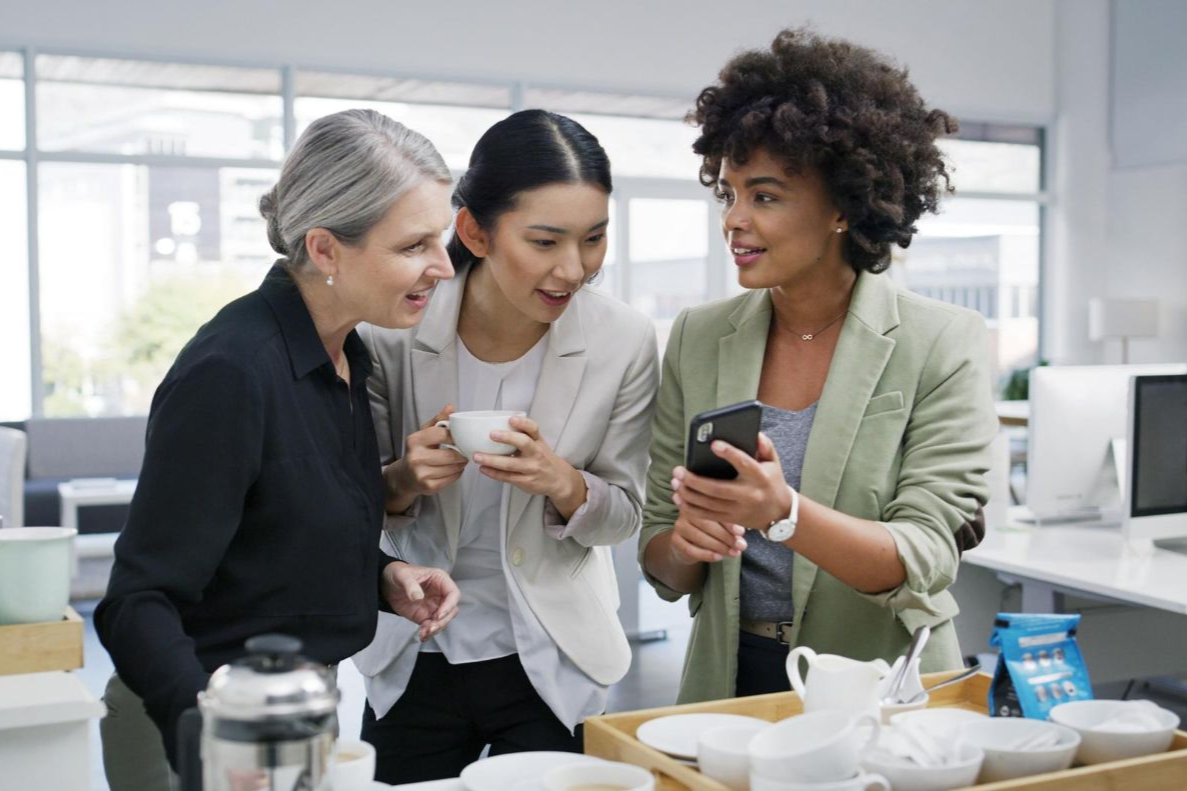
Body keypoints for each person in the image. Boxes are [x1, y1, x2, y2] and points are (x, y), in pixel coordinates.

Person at [95, 109, 462, 791]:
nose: (442, 265)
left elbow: (272, 536)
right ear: (325, 250)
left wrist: (382, 576)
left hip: (293, 710)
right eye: (415, 244)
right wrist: (213, 734)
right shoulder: (231, 370)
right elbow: (137, 600)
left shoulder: (347, 356)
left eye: (439, 238)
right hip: (202, 722)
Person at [639, 28, 997, 703]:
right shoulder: (697, 337)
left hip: (878, 681)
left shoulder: (941, 341)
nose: (734, 220)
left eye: (765, 196)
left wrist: (783, 513)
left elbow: (923, 557)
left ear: (841, 207)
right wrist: (686, 543)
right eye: (728, 194)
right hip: (732, 678)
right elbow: (660, 557)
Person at [352, 109, 659, 784]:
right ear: (473, 232)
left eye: (594, 238)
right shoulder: (391, 330)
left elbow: (626, 514)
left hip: (551, 653)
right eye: (545, 241)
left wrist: (563, 482)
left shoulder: (624, 340)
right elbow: (348, 502)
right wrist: (405, 477)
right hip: (415, 646)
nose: (574, 269)